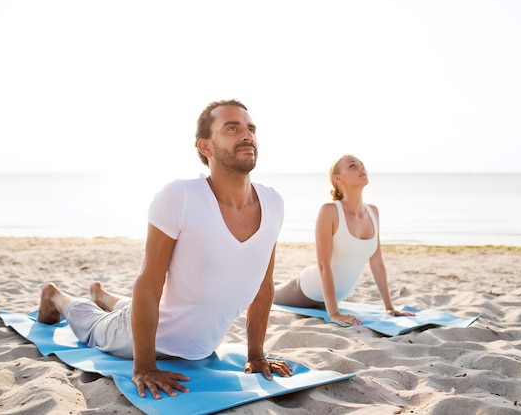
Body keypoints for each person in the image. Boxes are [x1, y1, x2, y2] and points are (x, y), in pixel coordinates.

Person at [36, 99, 292, 400]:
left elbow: (263, 284)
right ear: (205, 147)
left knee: (136, 307)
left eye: (250, 128)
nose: (247, 135)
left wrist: (256, 355)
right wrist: (144, 366)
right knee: (93, 327)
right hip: (143, 339)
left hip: (194, 343)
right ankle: (56, 297)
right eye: (231, 128)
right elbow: (149, 283)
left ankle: (103, 295)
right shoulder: (180, 196)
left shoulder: (273, 203)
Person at [273, 154, 414, 326]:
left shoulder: (373, 212)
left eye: (362, 164)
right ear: (337, 179)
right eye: (353, 165)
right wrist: (334, 314)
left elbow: (377, 264)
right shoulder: (329, 211)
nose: (362, 168)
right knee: (265, 294)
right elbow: (323, 265)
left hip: (335, 296)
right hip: (308, 289)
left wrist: (389, 308)